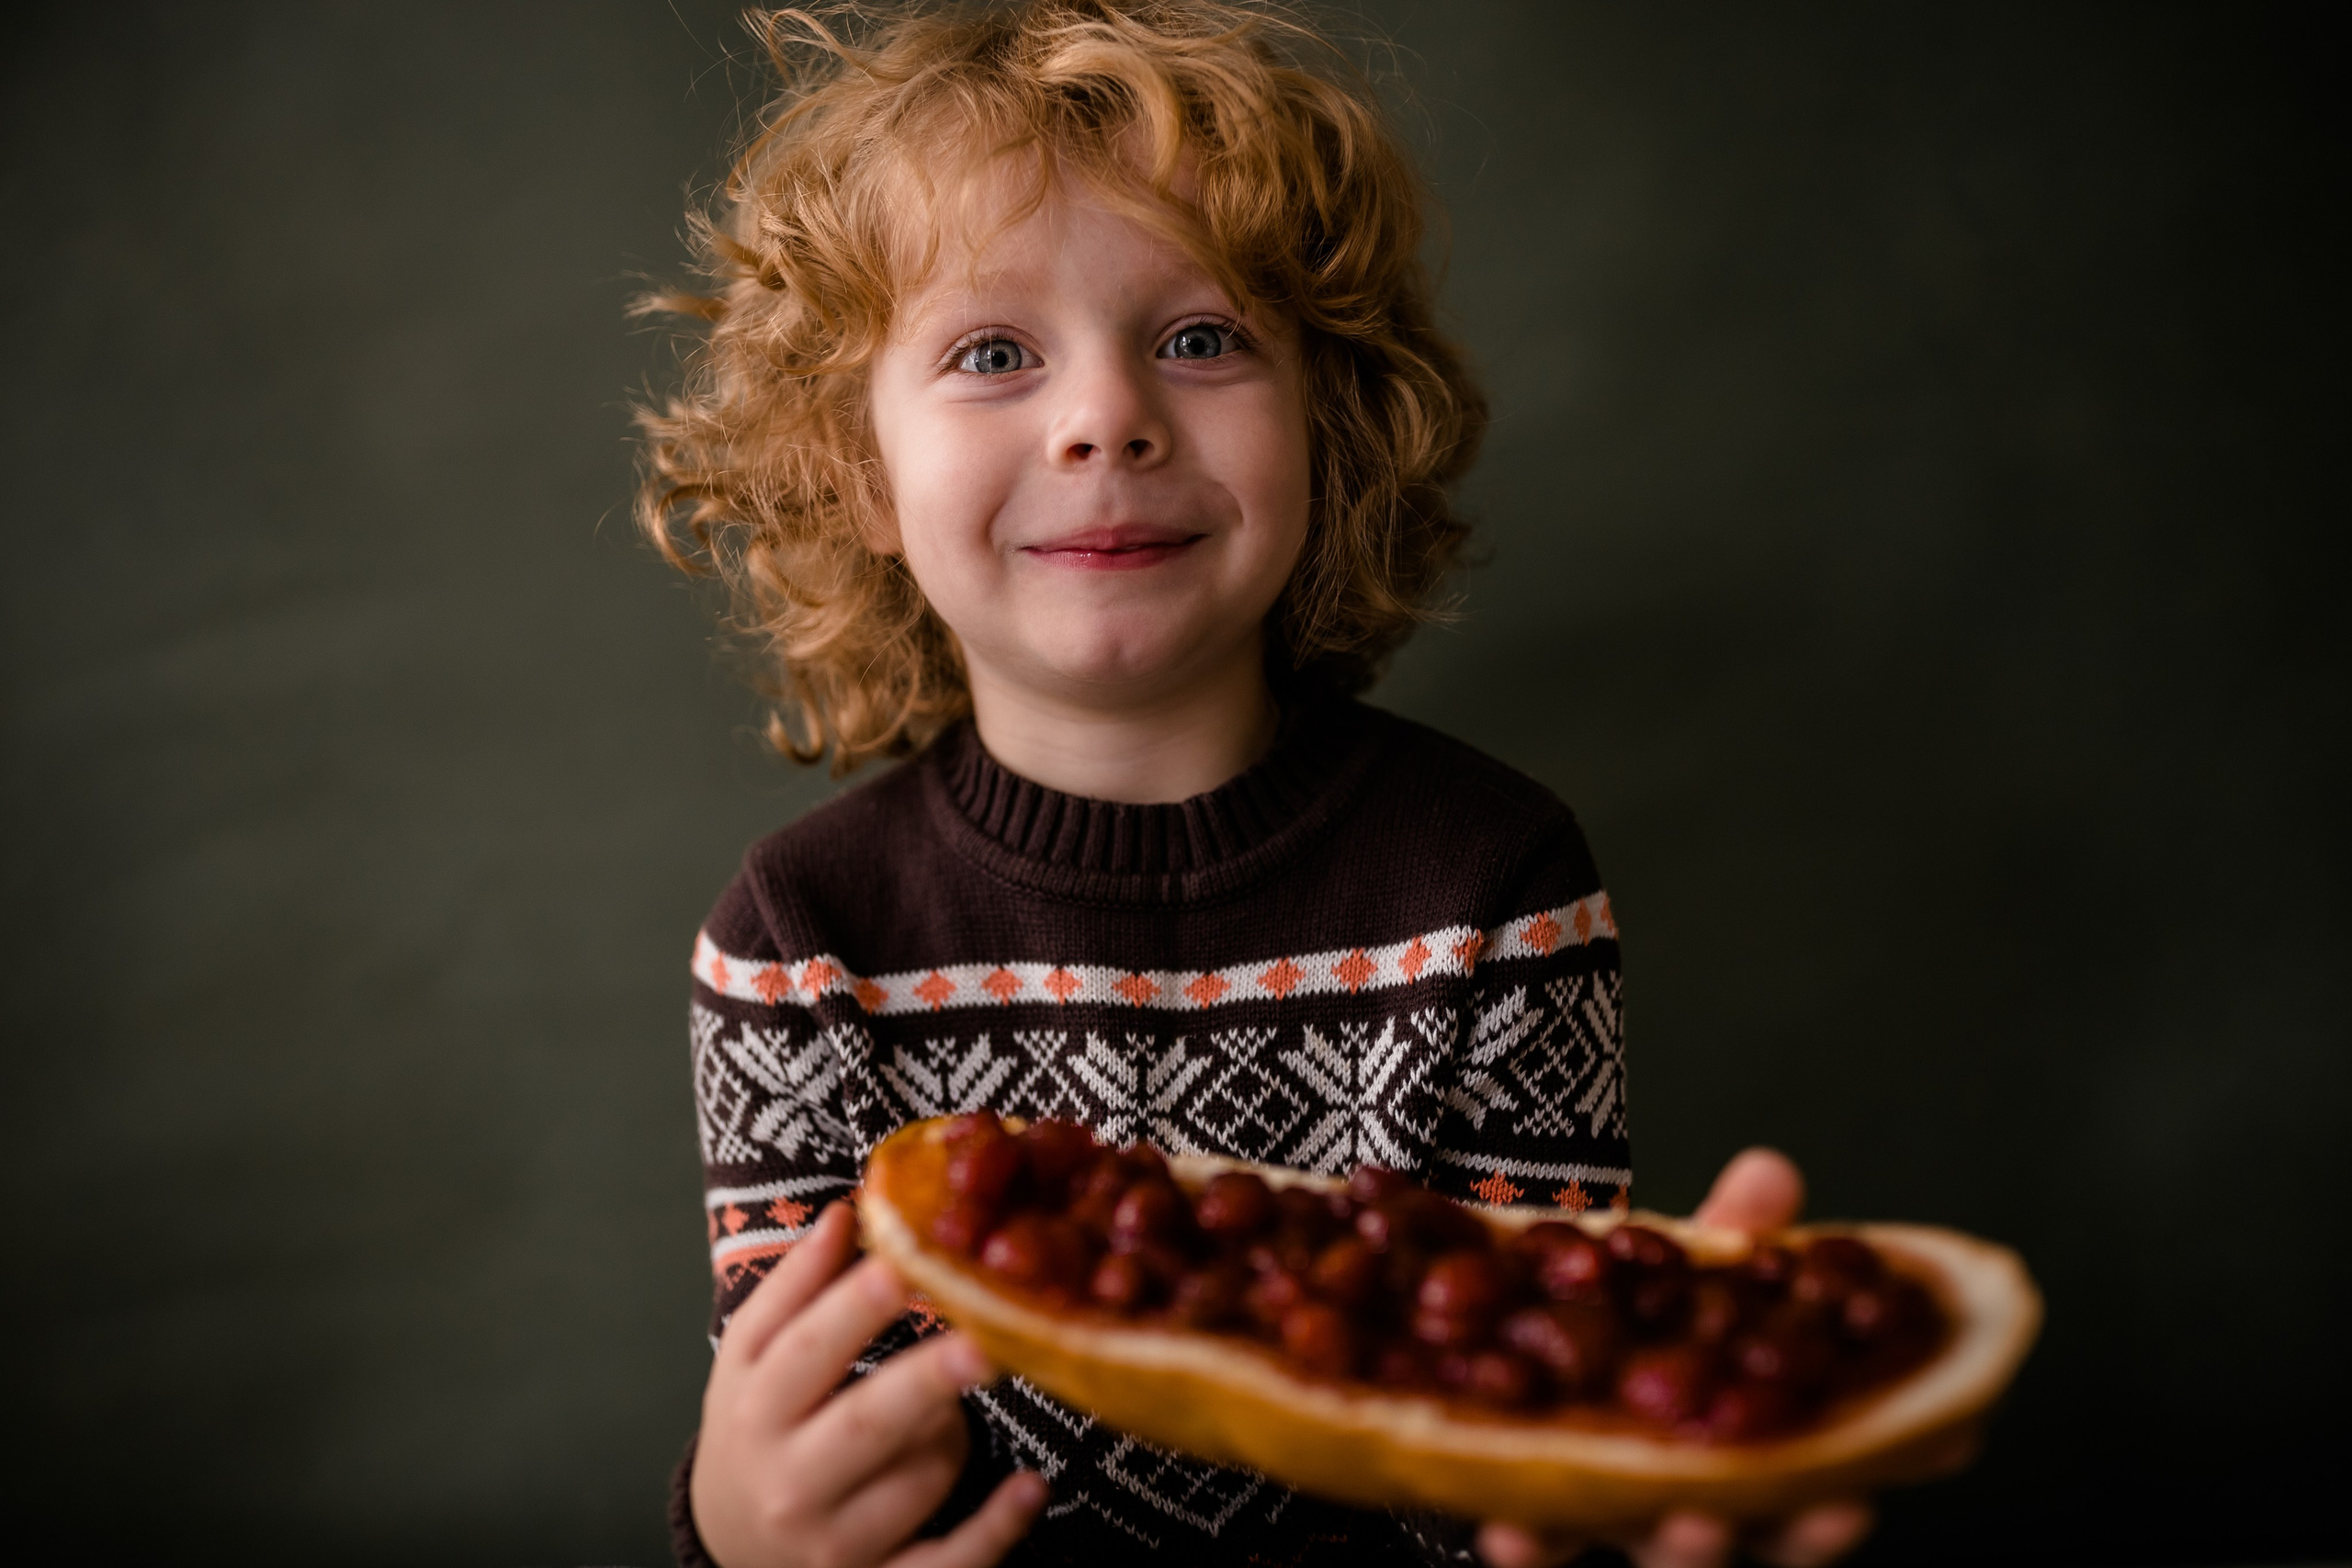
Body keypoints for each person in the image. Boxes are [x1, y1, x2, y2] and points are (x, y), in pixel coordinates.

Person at [635, 5, 1878, 1565]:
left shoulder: (1496, 886)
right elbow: (815, 1445)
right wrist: (738, 1534)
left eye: (1202, 338)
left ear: (1328, 427)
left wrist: (1631, 1468)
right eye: (994, 353)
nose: (1106, 420)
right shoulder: (792, 945)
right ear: (856, 475)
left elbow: (1508, 1442)